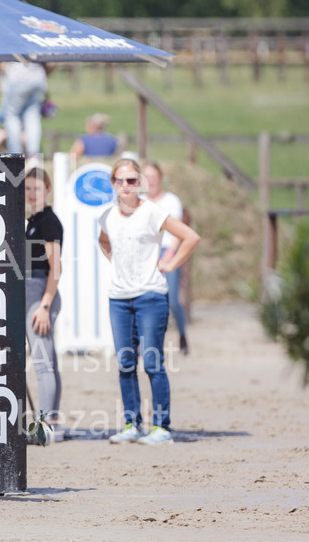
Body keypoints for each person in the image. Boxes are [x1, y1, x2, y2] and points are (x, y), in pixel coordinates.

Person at [98, 159, 200, 446]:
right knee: (125, 362)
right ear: (113, 183)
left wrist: (170, 264)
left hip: (150, 296)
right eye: (121, 180)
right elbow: (104, 241)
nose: (127, 186)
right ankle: (132, 424)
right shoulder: (107, 216)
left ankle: (162, 427)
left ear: (140, 183)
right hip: (118, 298)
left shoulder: (153, 212)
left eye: (132, 180)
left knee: (153, 362)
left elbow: (190, 237)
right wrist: (119, 265)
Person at [24, 166, 64, 443]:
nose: (31, 193)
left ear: (47, 190)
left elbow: (56, 268)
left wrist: (45, 304)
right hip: (33, 290)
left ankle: (46, 425)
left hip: (40, 292)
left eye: (36, 188)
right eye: (27, 189)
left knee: (43, 364)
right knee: (49, 361)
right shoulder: (34, 220)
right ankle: (51, 422)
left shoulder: (49, 222)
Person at [143, 161, 190, 355]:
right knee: (144, 299)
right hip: (146, 254)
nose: (151, 181)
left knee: (171, 300)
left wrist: (169, 256)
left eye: (153, 177)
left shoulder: (171, 201)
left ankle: (182, 333)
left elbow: (179, 234)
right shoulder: (138, 201)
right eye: (146, 177)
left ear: (160, 179)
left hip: (167, 251)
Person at [0, 61, 51, 160]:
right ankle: (33, 155)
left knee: (11, 117)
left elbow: (3, 65)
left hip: (18, 79)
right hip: (38, 78)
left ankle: (16, 156)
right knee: (33, 118)